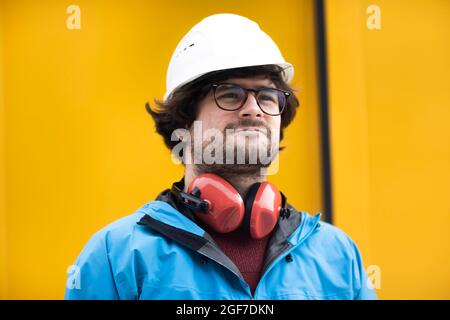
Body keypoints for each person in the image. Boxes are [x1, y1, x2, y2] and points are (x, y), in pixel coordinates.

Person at [65, 13, 377, 300]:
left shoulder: (338, 255)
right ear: (184, 121)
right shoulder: (117, 256)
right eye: (230, 94)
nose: (254, 108)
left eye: (267, 96)